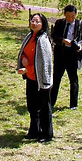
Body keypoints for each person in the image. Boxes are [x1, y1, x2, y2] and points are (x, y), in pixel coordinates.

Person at [17, 13, 53, 142]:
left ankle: (47, 134)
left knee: (44, 107)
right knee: (32, 106)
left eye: (37, 21)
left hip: (41, 80)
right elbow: (23, 53)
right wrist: (23, 60)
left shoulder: (43, 40)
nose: (34, 23)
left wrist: (27, 68)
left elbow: (44, 64)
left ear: (43, 24)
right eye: (32, 20)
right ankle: (34, 131)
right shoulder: (30, 36)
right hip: (31, 78)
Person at [51, 4, 82, 110]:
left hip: (73, 54)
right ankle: (51, 102)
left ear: (76, 14)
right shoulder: (59, 23)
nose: (70, 18)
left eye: (73, 16)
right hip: (61, 54)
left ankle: (73, 104)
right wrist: (63, 40)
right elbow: (54, 37)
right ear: (64, 15)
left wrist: (80, 45)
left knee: (73, 79)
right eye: (68, 16)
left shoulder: (81, 25)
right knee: (56, 78)